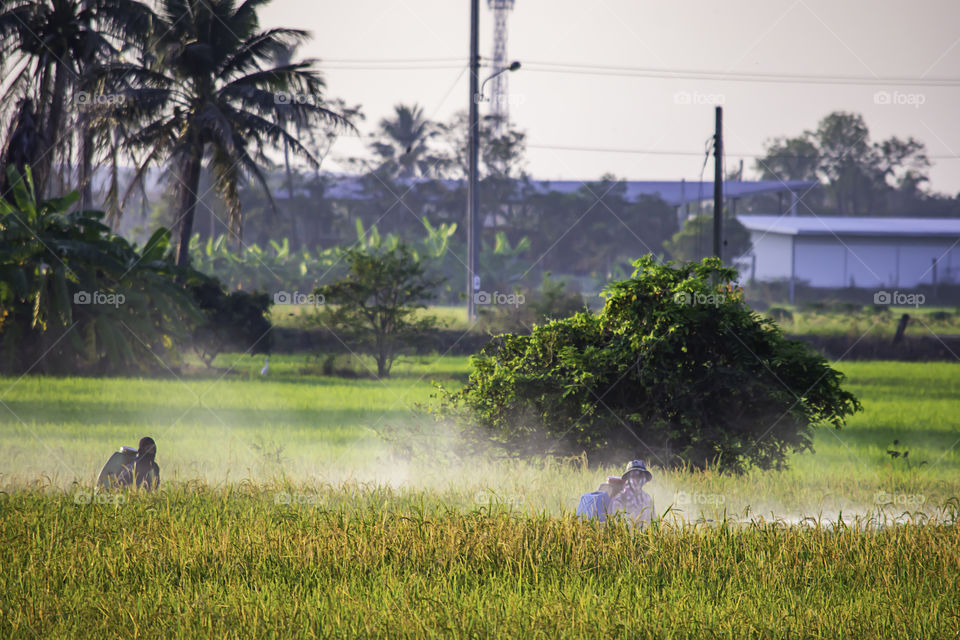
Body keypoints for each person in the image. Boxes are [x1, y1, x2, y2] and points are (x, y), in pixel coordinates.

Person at [609, 459, 653, 525]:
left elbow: (652, 520)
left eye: (640, 476)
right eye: (634, 476)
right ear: (628, 478)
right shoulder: (619, 500)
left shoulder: (647, 498)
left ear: (645, 479)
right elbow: (615, 525)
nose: (638, 479)